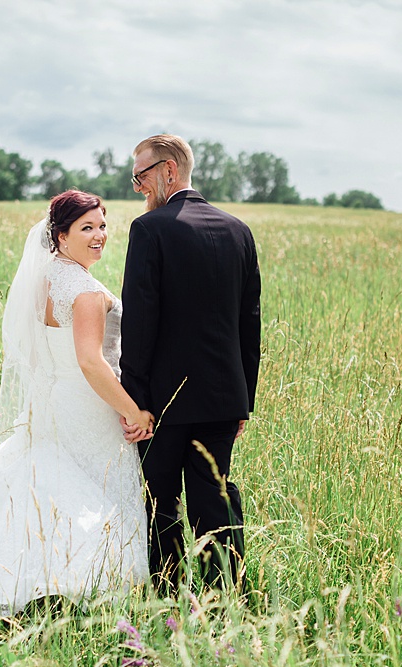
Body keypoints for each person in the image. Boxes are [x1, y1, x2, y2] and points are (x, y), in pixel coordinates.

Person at [0, 190, 151, 627]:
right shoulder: (85, 292)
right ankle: (92, 585)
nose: (100, 236)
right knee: (99, 490)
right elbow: (91, 362)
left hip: (53, 402)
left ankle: (28, 573)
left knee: (52, 486)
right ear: (59, 236)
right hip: (89, 406)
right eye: (87, 228)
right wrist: (134, 412)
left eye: (102, 225)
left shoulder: (47, 279)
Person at [120, 134, 262, 593]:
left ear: (169, 171)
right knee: (214, 500)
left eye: (141, 175)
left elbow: (140, 324)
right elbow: (249, 325)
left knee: (159, 501)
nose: (138, 186)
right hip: (223, 398)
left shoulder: (149, 230)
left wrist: (134, 401)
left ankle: (168, 596)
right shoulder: (238, 230)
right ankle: (225, 598)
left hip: (162, 401)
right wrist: (245, 402)